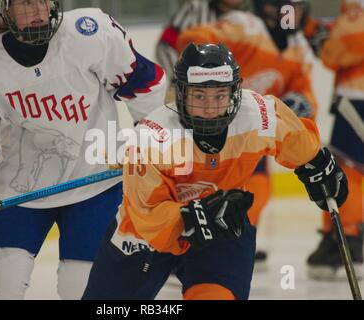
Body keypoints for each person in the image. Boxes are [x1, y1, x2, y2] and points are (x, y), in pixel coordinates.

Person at [81, 43, 348, 300]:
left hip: (223, 223)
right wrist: (190, 218)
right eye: (199, 96)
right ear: (182, 94)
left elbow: (295, 139)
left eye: (219, 96)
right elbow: (146, 214)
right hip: (143, 237)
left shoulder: (257, 115)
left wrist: (318, 164)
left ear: (234, 94)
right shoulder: (152, 136)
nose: (209, 108)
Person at [0, 0, 165, 299]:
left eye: (44, 1)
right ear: (5, 10)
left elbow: (146, 85)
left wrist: (152, 140)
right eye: (25, 3)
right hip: (16, 193)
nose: (38, 11)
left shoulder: (90, 34)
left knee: (81, 291)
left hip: (94, 184)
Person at [176, 0, 317, 269]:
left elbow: (305, 89)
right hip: (210, 120)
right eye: (289, 9)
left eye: (298, 10)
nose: (294, 16)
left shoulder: (299, 48)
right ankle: (185, 245)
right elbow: (194, 39)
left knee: (259, 188)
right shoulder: (244, 26)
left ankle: (231, 237)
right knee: (200, 183)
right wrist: (208, 69)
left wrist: (302, 103)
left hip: (251, 131)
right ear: (267, 7)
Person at [306, 0, 364, 280]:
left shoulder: (356, 11)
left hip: (357, 98)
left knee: (347, 169)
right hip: (355, 97)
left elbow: (338, 52)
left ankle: (349, 239)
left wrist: (318, 36)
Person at [156, 0, 248, 81]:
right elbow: (165, 45)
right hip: (189, 88)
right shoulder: (195, 8)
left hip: (231, 91)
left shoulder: (250, 19)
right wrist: (178, 76)